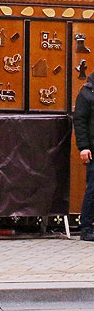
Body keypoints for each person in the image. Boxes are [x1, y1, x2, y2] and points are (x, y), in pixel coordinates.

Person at [74, 72, 94, 241]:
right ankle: (86, 228)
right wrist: (84, 147)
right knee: (92, 189)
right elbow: (79, 121)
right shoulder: (86, 93)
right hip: (93, 149)